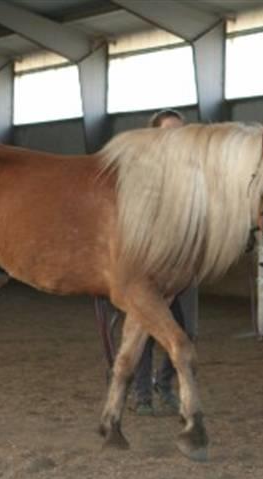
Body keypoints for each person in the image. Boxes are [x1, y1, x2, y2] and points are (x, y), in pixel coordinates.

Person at [95, 109, 198, 416]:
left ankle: (163, 384)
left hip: (182, 267)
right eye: (167, 131)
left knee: (188, 330)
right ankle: (142, 395)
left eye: (180, 131)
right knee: (146, 331)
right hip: (146, 269)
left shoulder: (193, 175)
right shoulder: (141, 174)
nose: (174, 138)